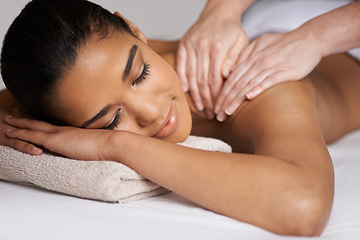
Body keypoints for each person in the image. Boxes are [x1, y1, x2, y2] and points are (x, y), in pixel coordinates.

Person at [1, 0, 360, 236]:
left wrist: (114, 142)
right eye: (110, 119)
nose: (153, 113)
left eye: (140, 73)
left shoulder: (256, 87)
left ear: (135, 30)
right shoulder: (89, 79)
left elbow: (303, 206)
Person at [177, 0, 360, 122]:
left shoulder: (281, 101)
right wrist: (221, 11)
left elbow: (305, 180)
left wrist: (316, 37)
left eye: (146, 73)